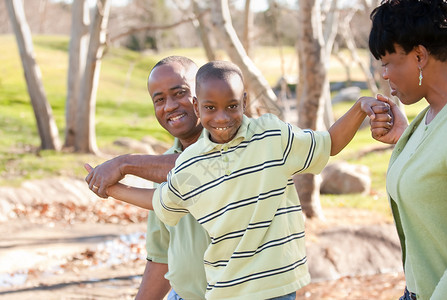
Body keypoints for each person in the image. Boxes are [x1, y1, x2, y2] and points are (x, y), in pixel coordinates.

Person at [93, 60, 393, 299]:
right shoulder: (187, 166)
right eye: (160, 99)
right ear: (200, 104)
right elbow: (160, 223)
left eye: (178, 92)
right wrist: (113, 188)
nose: (221, 117)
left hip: (270, 289)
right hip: (208, 294)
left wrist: (358, 109)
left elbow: (327, 144)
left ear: (243, 102)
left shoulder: (268, 138)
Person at [85, 56, 211, 299]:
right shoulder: (160, 167)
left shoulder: (233, 147)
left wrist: (124, 163)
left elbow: (200, 166)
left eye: (180, 93)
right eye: (159, 100)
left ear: (202, 94)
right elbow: (161, 257)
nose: (170, 106)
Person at [366, 1, 447, 299]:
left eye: (387, 62)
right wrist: (406, 139)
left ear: (419, 55)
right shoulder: (428, 119)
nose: (384, 74)